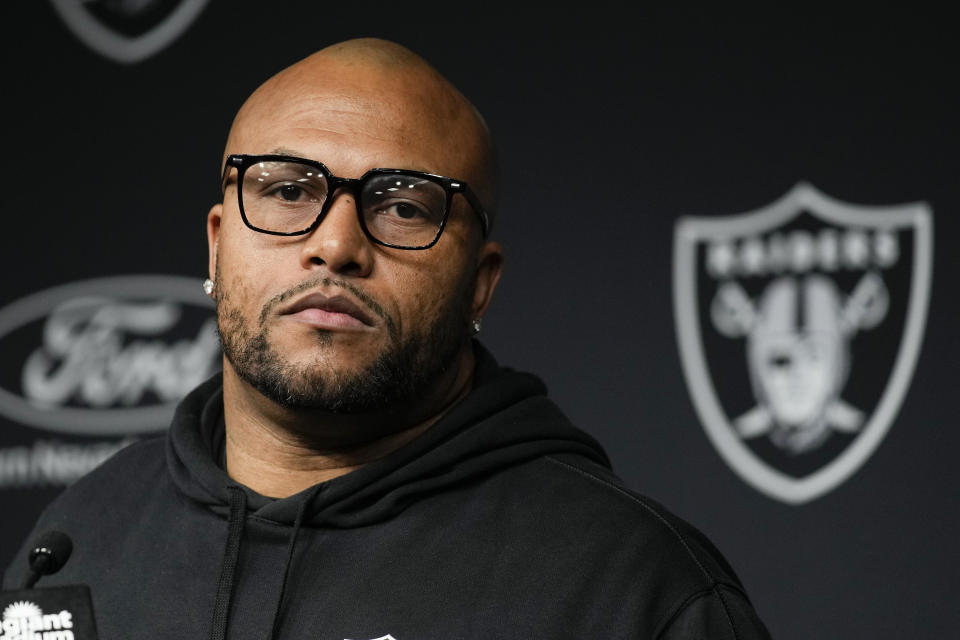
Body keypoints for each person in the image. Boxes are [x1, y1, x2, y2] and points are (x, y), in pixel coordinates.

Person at [4, 38, 772, 639]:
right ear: (215, 246)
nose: (336, 244)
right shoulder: (83, 536)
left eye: (403, 207)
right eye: (287, 189)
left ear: (481, 282)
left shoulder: (630, 589)